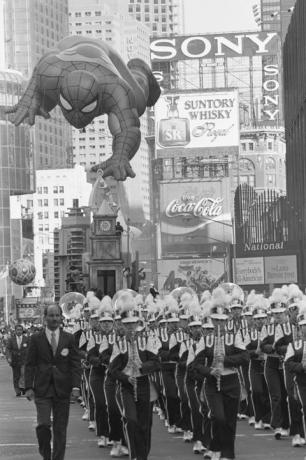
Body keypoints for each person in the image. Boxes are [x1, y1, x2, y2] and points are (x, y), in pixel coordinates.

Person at [24, 304, 82, 460]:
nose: (54, 318)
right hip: (42, 389)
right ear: (45, 318)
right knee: (43, 425)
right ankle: (46, 455)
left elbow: (75, 364)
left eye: (57, 315)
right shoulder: (36, 338)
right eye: (51, 315)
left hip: (63, 389)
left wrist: (76, 387)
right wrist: (28, 387)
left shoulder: (69, 338)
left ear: (61, 317)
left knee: (60, 429)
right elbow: (29, 364)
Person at [6, 324, 29, 396]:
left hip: (24, 360)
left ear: (22, 331)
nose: (19, 331)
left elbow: (30, 349)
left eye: (20, 330)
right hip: (15, 360)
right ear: (15, 331)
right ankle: (17, 391)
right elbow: (8, 349)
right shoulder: (11, 339)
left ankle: (23, 387)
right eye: (17, 330)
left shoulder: (27, 339)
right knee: (16, 376)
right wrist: (9, 358)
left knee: (23, 374)